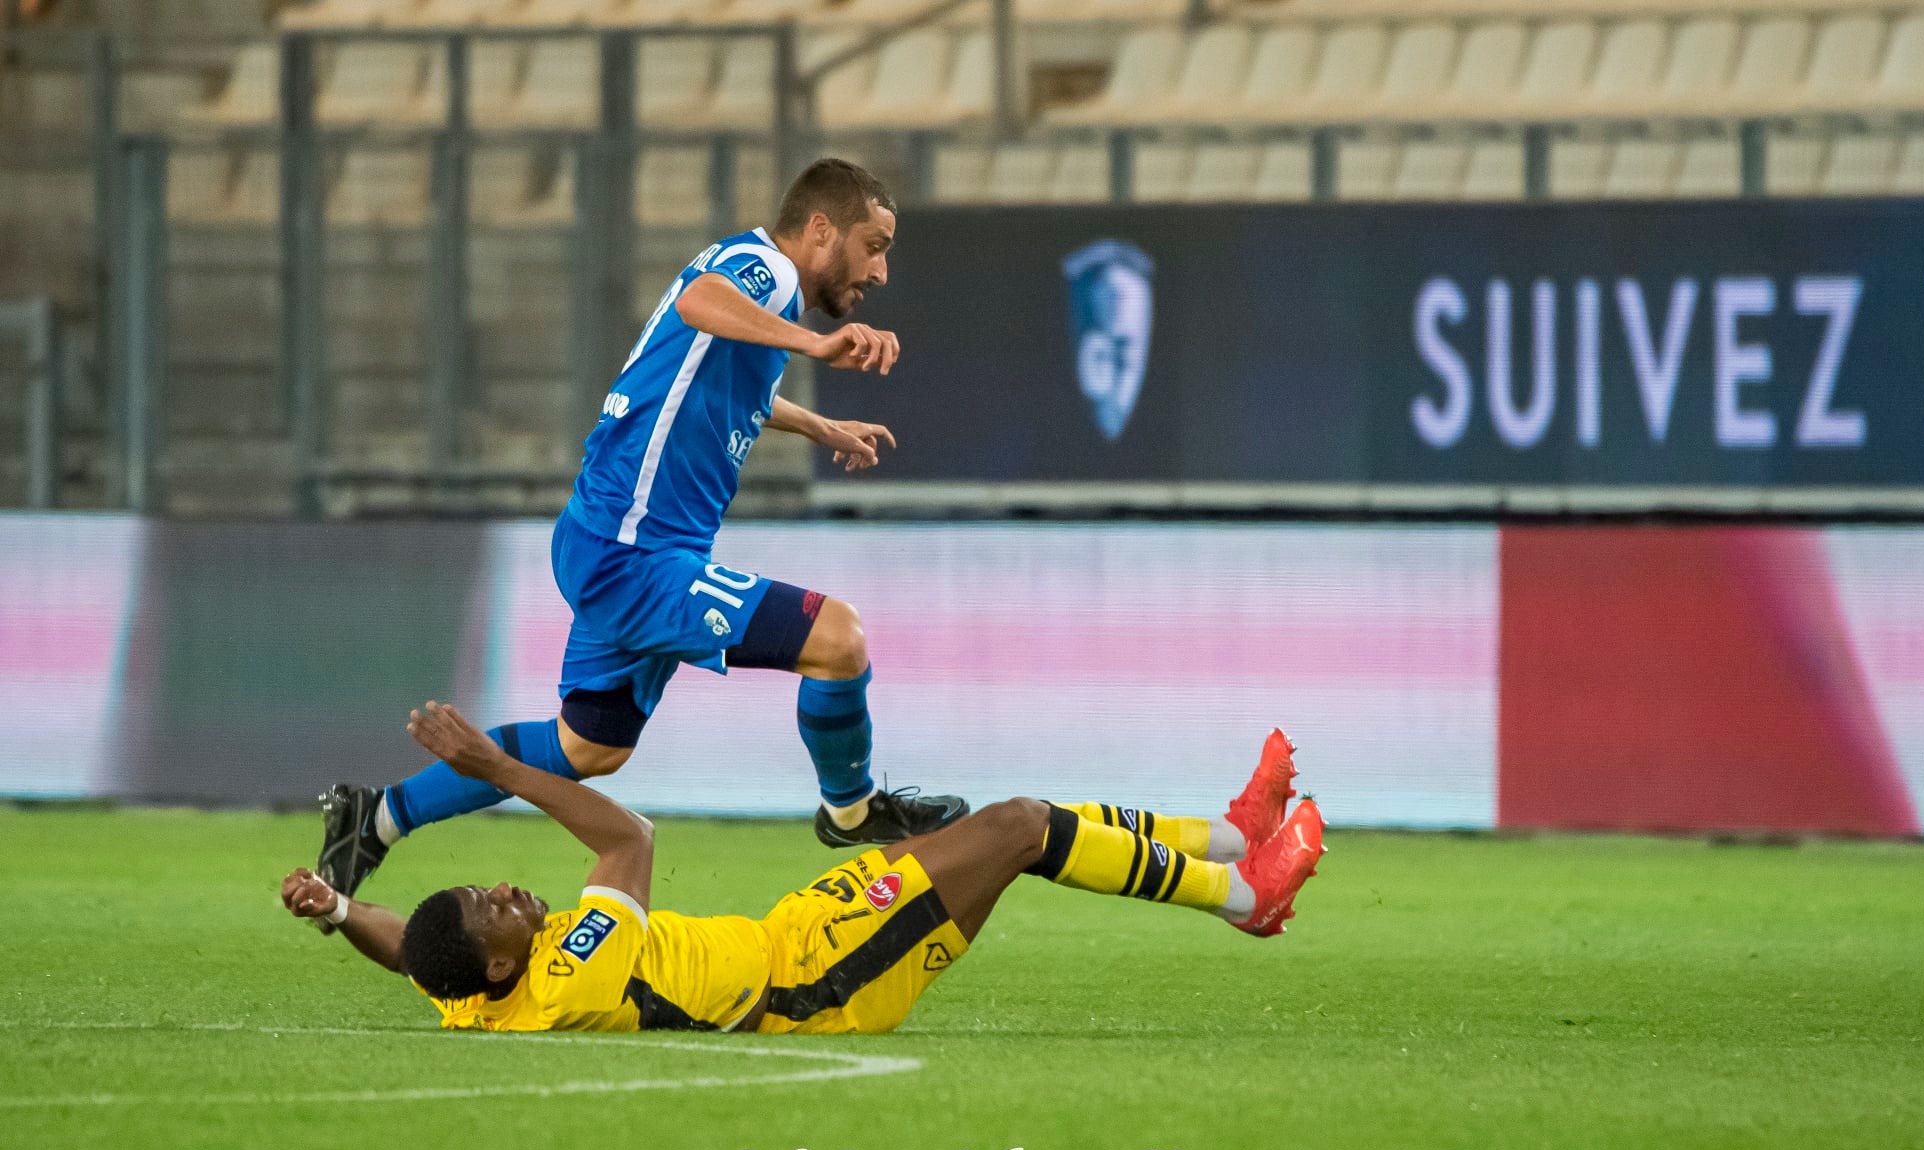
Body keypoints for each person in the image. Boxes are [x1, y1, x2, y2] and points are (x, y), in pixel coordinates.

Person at [313, 159, 964, 923]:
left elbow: (718, 376)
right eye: (873, 243)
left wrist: (819, 424)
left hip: (612, 543)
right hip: (635, 553)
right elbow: (701, 302)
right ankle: (851, 812)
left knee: (589, 749)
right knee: (839, 638)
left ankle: (378, 817)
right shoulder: (762, 269)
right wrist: (815, 346)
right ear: (821, 229)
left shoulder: (753, 281)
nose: (880, 270)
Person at [282, 703, 1327, 1034]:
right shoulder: (575, 972)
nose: (506, 886)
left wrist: (339, 909)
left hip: (800, 931)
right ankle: (1246, 894)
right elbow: (628, 838)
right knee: (1014, 825)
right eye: (490, 905)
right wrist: (501, 767)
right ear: (503, 963)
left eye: (482, 881)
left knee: (1022, 820)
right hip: (819, 984)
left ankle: (1232, 835)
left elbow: (413, 958)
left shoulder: (478, 990)